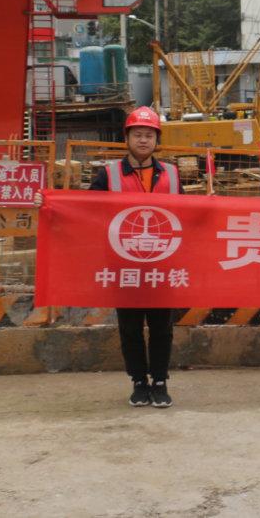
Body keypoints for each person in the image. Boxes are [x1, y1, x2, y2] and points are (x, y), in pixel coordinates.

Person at [84, 107, 183, 408]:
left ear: (157, 140)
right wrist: (47, 203)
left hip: (161, 264)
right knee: (129, 326)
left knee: (162, 326)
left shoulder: (172, 174)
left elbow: (187, 213)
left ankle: (160, 380)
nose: (143, 140)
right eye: (137, 134)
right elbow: (84, 209)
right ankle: (139, 382)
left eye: (149, 135)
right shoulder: (108, 175)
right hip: (123, 263)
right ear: (126, 137)